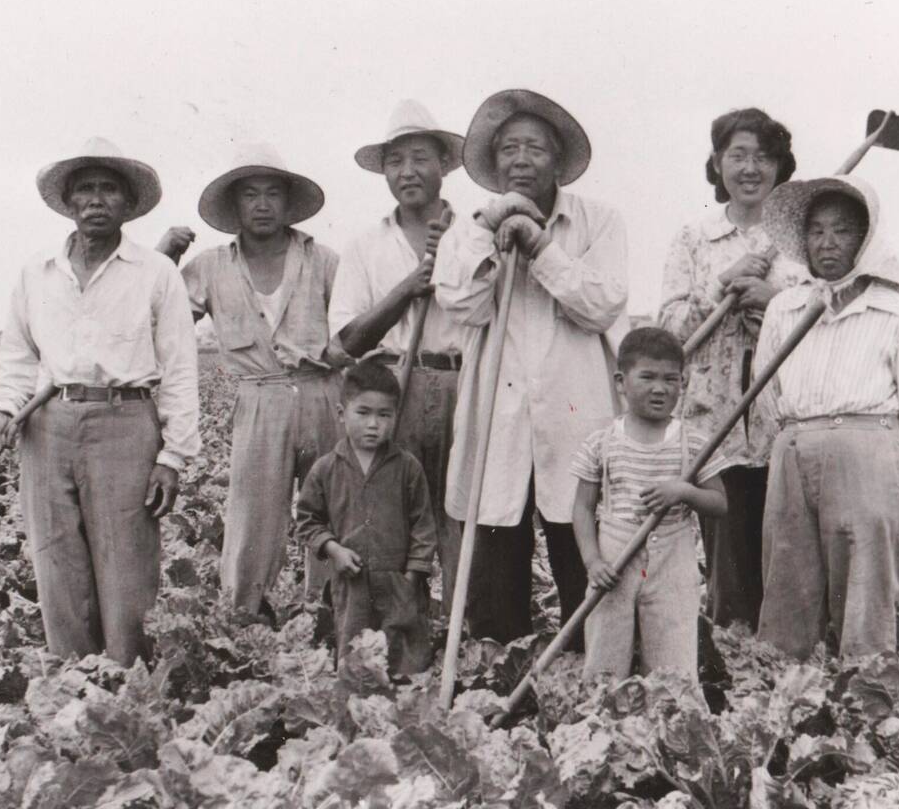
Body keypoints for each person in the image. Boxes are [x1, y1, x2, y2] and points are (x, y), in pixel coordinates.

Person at [0, 137, 200, 665]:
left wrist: (172, 457)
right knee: (56, 563)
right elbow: (17, 352)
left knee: (127, 567)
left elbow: (178, 370)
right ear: (69, 202)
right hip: (47, 423)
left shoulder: (156, 272)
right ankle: (72, 683)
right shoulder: (37, 272)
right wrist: (3, 408)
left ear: (128, 205)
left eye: (108, 189)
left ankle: (129, 687)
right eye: (85, 189)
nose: (96, 200)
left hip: (126, 422)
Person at [433, 89, 629, 647]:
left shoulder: (599, 222)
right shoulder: (469, 229)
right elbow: (461, 303)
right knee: (496, 574)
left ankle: (589, 687)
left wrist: (541, 247)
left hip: (576, 420)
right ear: (494, 163)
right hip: (500, 422)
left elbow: (600, 305)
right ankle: (503, 694)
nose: (521, 160)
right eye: (509, 149)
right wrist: (493, 231)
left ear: (557, 159)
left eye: (535, 148)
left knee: (581, 565)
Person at [753, 175, 899, 659]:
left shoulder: (897, 310)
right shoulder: (786, 308)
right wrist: (804, 438)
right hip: (794, 452)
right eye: (816, 232)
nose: (827, 243)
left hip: (868, 459)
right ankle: (788, 705)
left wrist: (869, 449)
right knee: (788, 584)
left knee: (866, 590)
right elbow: (767, 392)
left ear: (865, 239)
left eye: (841, 231)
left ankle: (867, 699)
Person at [657, 107, 806, 631]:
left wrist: (775, 302)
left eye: (763, 157)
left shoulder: (800, 238)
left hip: (782, 419)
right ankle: (733, 660)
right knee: (727, 555)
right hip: (713, 420)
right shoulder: (694, 239)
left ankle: (782, 665)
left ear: (779, 167)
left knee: (785, 549)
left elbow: (822, 317)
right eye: (737, 155)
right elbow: (670, 330)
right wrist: (720, 285)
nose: (750, 168)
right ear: (717, 164)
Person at [181, 143, 345, 612]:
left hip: (322, 393)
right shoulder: (210, 266)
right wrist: (163, 255)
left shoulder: (323, 260)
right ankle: (244, 618)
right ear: (235, 205)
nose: (262, 204)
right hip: (257, 399)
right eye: (250, 194)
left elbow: (356, 329)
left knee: (332, 507)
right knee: (253, 518)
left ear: (288, 202)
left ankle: (330, 613)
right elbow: (159, 321)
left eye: (273, 193)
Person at [328, 99, 466, 611]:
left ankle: (462, 637)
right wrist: (409, 287)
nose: (407, 171)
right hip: (392, 389)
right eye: (395, 161)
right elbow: (348, 340)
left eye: (420, 158)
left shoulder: (472, 235)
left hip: (459, 383)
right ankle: (398, 633)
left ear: (445, 165)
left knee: (458, 514)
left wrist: (453, 255)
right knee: (391, 514)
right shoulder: (364, 246)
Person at [571, 328, 731, 682]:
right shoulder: (601, 442)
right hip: (614, 563)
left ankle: (669, 721)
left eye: (670, 379)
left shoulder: (695, 443)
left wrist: (684, 492)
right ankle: (599, 722)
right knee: (605, 657)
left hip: (673, 563)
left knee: (673, 661)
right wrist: (593, 561)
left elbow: (719, 503)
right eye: (647, 377)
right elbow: (582, 509)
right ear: (621, 382)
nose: (660, 388)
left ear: (682, 383)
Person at [296, 360, 436, 674]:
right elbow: (307, 519)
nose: (374, 424)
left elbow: (424, 526)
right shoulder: (326, 469)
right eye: (363, 413)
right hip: (351, 583)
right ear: (342, 413)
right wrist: (333, 549)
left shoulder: (407, 467)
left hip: (399, 581)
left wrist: (412, 577)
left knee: (405, 659)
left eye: (384, 415)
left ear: (396, 416)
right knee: (354, 659)